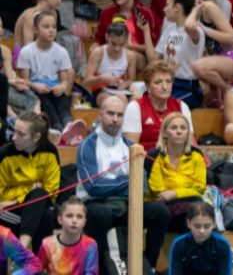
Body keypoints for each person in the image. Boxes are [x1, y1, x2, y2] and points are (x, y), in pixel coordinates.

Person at [76, 95, 171, 273]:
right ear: (100, 114)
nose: (115, 119)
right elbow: (93, 187)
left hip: (127, 203)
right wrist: (127, 182)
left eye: (120, 115)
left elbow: (140, 186)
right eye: (110, 113)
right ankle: (100, 268)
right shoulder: (87, 146)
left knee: (160, 212)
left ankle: (149, 265)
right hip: (95, 204)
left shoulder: (131, 146)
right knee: (100, 213)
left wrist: (119, 183)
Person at [16, 11, 81, 138]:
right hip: (36, 90)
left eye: (54, 27)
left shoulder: (61, 51)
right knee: (46, 103)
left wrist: (62, 86)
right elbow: (25, 80)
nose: (51, 30)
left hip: (53, 88)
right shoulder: (27, 51)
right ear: (36, 29)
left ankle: (69, 125)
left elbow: (64, 80)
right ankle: (57, 128)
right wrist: (36, 86)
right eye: (46, 27)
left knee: (62, 102)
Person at [0, 112, 59, 251]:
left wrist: (20, 197)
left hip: (28, 204)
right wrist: (29, 193)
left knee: (42, 200)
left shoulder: (50, 151)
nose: (14, 137)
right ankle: (37, 265)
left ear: (36, 137)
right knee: (44, 212)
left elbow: (52, 191)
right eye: (14, 131)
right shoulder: (5, 154)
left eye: (21, 134)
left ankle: (24, 251)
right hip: (9, 211)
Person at [144, 0, 205, 108]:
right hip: (168, 82)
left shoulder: (196, 31)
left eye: (167, 5)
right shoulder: (170, 30)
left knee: (165, 104)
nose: (164, 9)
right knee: (143, 101)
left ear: (177, 8)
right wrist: (146, 30)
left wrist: (195, 9)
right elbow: (153, 59)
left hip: (188, 87)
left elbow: (188, 26)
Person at [145, 113, 206, 232]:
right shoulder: (154, 156)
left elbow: (199, 188)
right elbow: (159, 193)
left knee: (198, 209)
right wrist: (183, 193)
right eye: (174, 128)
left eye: (183, 128)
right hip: (159, 207)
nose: (179, 131)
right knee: (195, 209)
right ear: (165, 133)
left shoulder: (196, 156)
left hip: (188, 205)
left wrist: (175, 193)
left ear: (188, 133)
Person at [93, 0, 159, 72]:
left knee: (128, 54)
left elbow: (156, 48)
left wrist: (131, 46)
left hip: (139, 57)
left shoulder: (146, 13)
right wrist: (95, 47)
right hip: (112, 53)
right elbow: (99, 40)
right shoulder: (107, 12)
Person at [123, 61, 194, 150]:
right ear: (148, 86)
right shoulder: (135, 107)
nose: (164, 87)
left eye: (168, 81)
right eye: (158, 82)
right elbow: (132, 149)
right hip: (145, 161)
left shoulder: (182, 106)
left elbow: (190, 143)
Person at [37, 196, 98, 275]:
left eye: (79, 217)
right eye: (69, 216)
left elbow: (91, 272)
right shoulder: (47, 243)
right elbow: (38, 269)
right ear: (60, 219)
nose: (74, 221)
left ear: (84, 222)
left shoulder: (90, 245)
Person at [169, 201, 233, 275]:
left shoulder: (222, 244)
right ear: (189, 224)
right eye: (197, 226)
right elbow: (175, 272)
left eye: (207, 226)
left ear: (214, 224)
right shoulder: (179, 244)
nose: (202, 231)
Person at [83, 20, 137, 107]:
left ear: (127, 41)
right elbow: (86, 81)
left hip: (120, 90)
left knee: (135, 101)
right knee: (116, 100)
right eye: (113, 44)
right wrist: (102, 78)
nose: (117, 48)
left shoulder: (130, 56)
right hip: (100, 90)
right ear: (107, 37)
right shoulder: (98, 53)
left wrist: (124, 84)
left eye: (121, 45)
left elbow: (132, 79)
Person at [13, 0, 61, 65]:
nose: (60, 0)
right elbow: (27, 49)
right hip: (21, 56)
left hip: (41, 52)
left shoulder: (53, 13)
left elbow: (51, 41)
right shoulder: (30, 15)